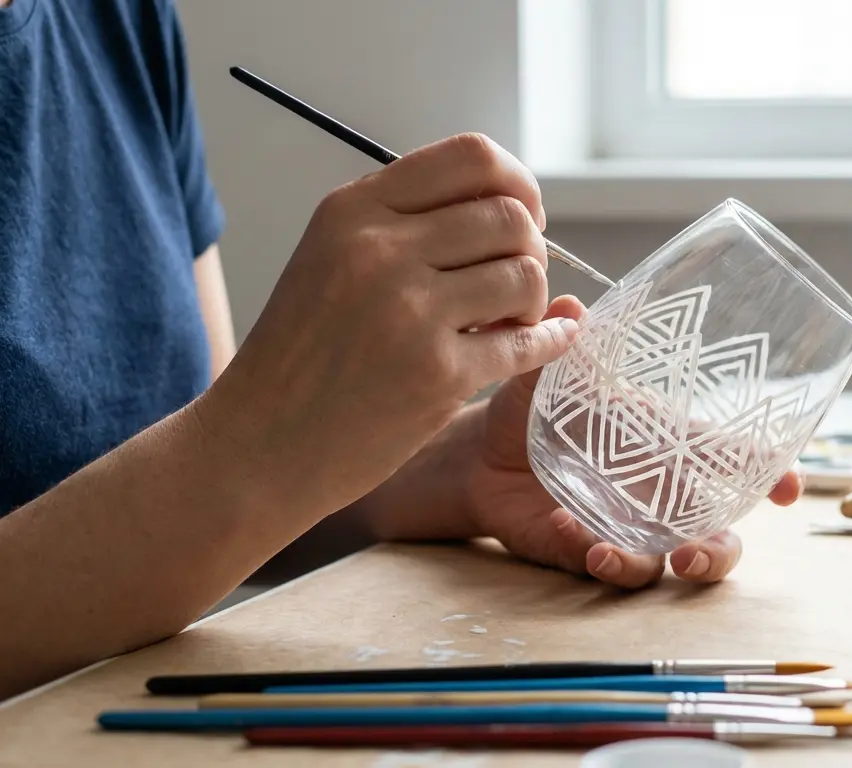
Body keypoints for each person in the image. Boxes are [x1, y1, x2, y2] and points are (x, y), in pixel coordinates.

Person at [0, 0, 803, 699]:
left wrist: (448, 467)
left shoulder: (113, 16)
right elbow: (225, 461)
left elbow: (187, 463)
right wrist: (254, 445)